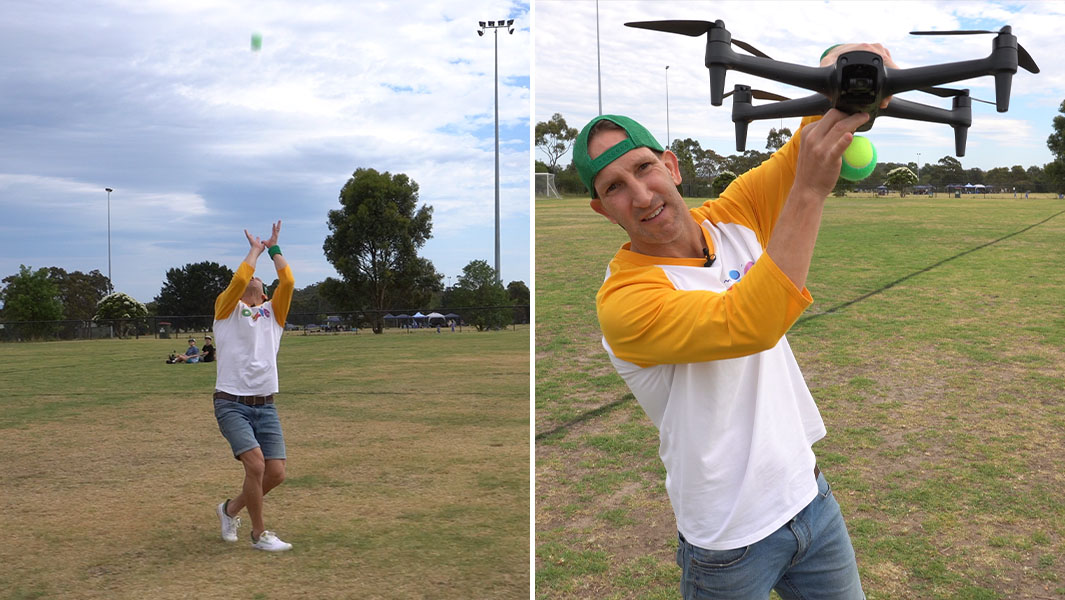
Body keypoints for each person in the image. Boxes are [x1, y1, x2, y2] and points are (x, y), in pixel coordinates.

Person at [575, 43, 897, 600]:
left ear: (670, 165)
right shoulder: (625, 300)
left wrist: (856, 65)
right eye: (615, 188)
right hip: (728, 544)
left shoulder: (732, 214)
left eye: (644, 168)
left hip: (809, 499)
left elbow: (807, 138)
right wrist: (812, 192)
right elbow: (750, 322)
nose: (642, 194)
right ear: (603, 210)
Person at [212, 220, 295, 552]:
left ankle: (230, 510)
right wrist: (254, 251)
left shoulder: (274, 314)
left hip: (266, 405)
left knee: (275, 474)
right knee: (257, 465)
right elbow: (239, 280)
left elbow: (287, 280)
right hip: (231, 402)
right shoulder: (226, 311)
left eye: (259, 285)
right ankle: (259, 535)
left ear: (265, 295)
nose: (253, 282)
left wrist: (273, 247)